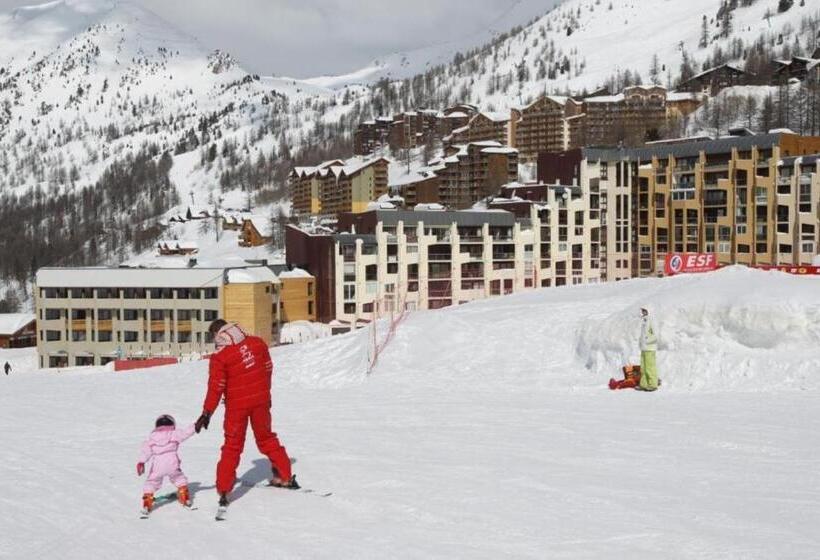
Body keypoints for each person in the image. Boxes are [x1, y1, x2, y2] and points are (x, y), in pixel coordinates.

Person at [195, 320, 297, 511]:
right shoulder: (257, 343)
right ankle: (284, 475)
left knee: (232, 446)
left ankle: (224, 489)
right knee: (266, 438)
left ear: (218, 334)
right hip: (261, 401)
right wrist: (266, 395)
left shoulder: (220, 357)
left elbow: (216, 388)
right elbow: (267, 369)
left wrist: (207, 413)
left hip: (237, 408)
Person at [137, 414, 196, 515]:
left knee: (152, 481)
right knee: (178, 477)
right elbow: (187, 432)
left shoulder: (151, 439)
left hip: (158, 465)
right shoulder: (174, 434)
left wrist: (141, 462)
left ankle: (147, 501)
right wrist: (197, 424)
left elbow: (145, 451)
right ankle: (184, 495)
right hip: (172, 463)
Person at [638, 308, 659, 391]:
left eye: (645, 310)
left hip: (650, 348)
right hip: (644, 348)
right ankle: (644, 384)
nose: (643, 312)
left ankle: (653, 384)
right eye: (642, 310)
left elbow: (655, 333)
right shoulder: (644, 320)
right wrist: (641, 342)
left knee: (650, 367)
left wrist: (648, 340)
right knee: (643, 367)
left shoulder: (652, 320)